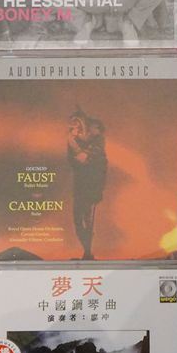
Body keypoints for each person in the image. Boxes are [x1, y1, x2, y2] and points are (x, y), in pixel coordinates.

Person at [67, 108, 107, 260]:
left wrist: (73, 141)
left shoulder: (97, 145)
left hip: (89, 189)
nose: (90, 129)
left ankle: (88, 251)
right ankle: (87, 251)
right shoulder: (80, 141)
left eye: (93, 127)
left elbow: (87, 160)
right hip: (81, 187)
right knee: (79, 220)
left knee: (86, 219)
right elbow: (74, 160)